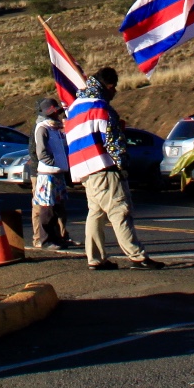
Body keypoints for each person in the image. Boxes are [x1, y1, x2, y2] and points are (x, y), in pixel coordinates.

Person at [65, 67, 160, 270]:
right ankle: (137, 256)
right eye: (114, 88)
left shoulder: (74, 108)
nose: (114, 92)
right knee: (119, 210)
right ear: (108, 86)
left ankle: (95, 259)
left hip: (84, 169)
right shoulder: (101, 107)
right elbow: (112, 141)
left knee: (96, 213)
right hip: (103, 166)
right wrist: (122, 164)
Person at [30, 97, 72, 250]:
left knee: (57, 209)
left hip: (58, 173)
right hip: (48, 174)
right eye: (54, 113)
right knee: (46, 209)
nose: (57, 115)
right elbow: (41, 152)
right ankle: (45, 239)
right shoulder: (42, 128)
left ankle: (56, 237)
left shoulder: (56, 129)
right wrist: (54, 163)